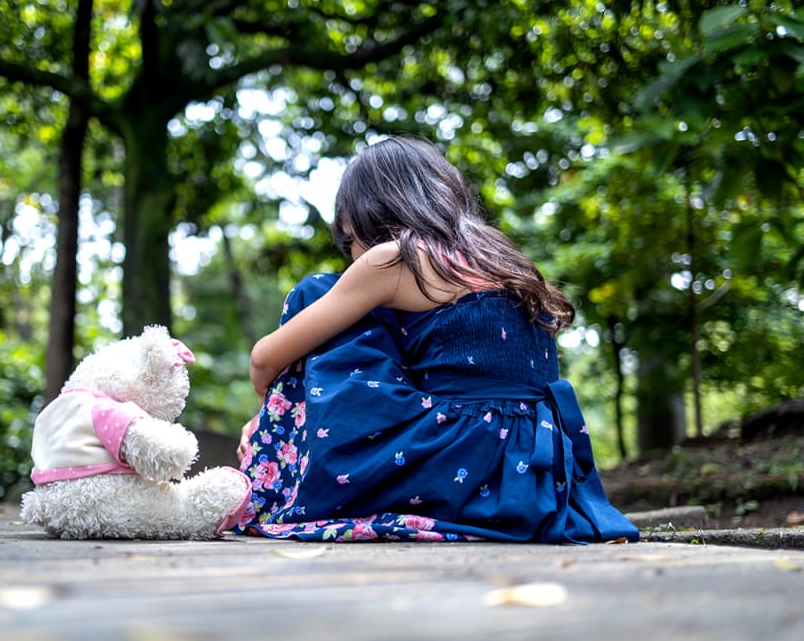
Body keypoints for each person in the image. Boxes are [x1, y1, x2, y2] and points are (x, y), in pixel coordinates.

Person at [234, 136, 638, 543]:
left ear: (369, 214)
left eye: (349, 240)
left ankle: (278, 477)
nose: (350, 257)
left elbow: (263, 359)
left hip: (472, 459)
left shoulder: (393, 258)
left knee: (317, 291)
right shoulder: (499, 256)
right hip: (536, 474)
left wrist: (267, 418)